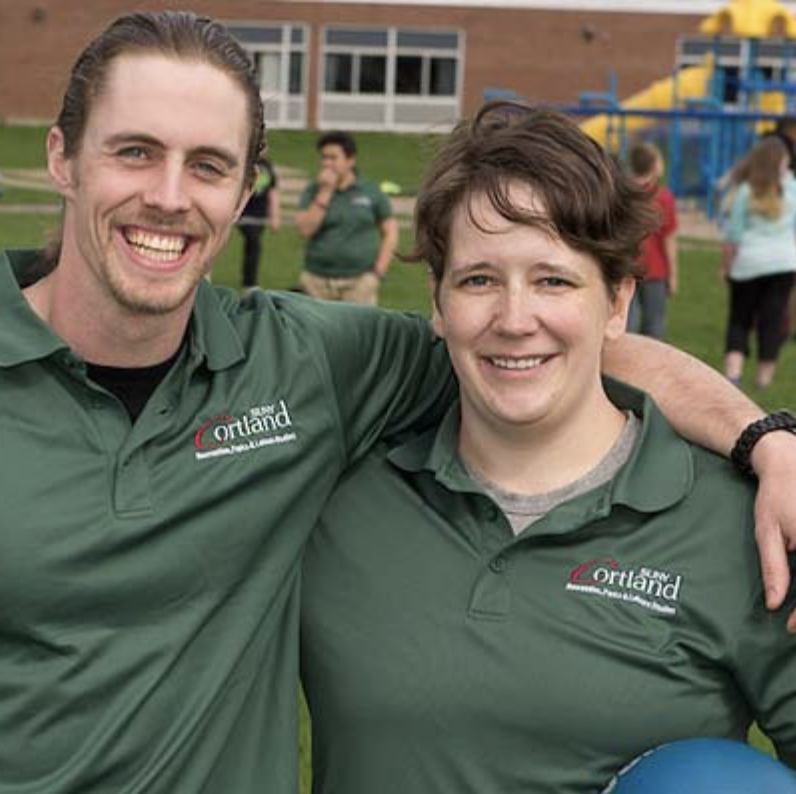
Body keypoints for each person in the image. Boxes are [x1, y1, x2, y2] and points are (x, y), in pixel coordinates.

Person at [3, 12, 796, 794]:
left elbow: (560, 349)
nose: (169, 196)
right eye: (135, 152)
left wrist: (767, 438)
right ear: (63, 158)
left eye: (209, 165)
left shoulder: (307, 370)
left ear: (246, 189)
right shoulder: (359, 488)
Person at [300, 103, 796, 794]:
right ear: (438, 307)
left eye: (553, 280)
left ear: (618, 302)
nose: (514, 319)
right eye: (478, 280)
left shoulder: (745, 530)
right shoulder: (341, 501)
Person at [721, 135, 796, 389]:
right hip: (783, 263)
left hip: (748, 264)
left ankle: (734, 373)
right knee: (772, 320)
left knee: (740, 319)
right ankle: (763, 379)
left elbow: (733, 235)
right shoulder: (792, 189)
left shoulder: (745, 191)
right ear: (780, 163)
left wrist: (726, 266)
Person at [294, 130, 398, 305]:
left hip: (359, 283)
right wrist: (325, 191)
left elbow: (391, 232)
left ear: (350, 160)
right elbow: (305, 230)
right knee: (318, 332)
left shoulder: (370, 190)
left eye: (333, 158)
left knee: (358, 332)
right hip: (316, 283)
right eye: (324, 157)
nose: (327, 163)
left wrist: (377, 273)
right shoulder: (313, 190)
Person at [627, 141, 678, 340]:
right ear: (655, 166)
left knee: (624, 321)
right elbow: (669, 240)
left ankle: (619, 368)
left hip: (626, 266)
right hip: (655, 270)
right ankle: (646, 369)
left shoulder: (623, 193)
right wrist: (673, 275)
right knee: (654, 323)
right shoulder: (663, 198)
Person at [236, 153, 280, 292]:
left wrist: (275, 216)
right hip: (244, 215)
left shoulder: (268, 166)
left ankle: (248, 281)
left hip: (260, 216)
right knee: (253, 242)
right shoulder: (245, 162)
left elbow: (273, 191)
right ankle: (249, 283)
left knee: (253, 247)